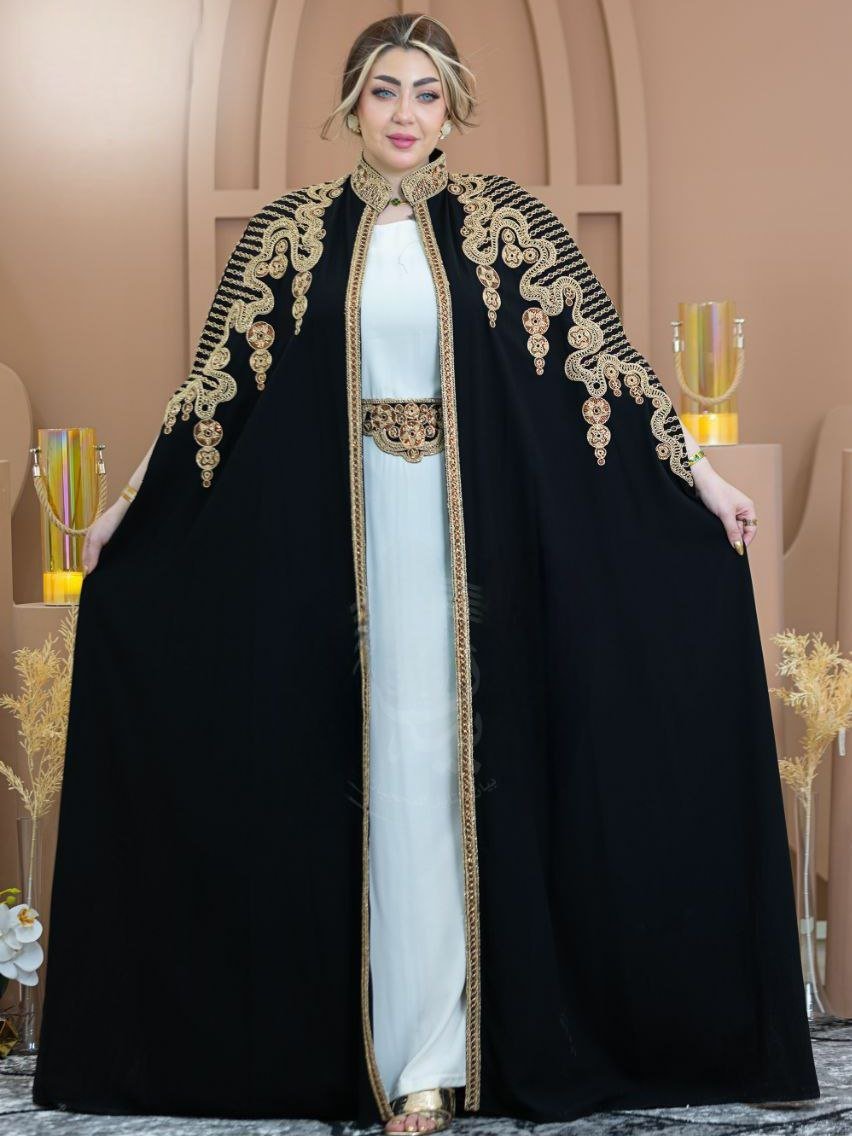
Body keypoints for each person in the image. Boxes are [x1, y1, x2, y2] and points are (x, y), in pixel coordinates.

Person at [31, 12, 819, 1132]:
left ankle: (441, 1056)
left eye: (427, 94)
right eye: (386, 91)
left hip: (469, 548)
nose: (406, 115)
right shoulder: (289, 234)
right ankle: (396, 1049)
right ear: (351, 102)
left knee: (450, 772)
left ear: (453, 110)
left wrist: (702, 478)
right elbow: (210, 394)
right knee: (378, 769)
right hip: (340, 551)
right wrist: (120, 513)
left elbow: (607, 364)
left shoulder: (507, 223)